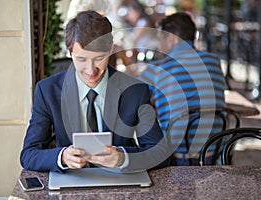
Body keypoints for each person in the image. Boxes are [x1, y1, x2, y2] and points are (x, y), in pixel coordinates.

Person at [20, 10, 169, 173]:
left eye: (99, 58)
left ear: (111, 49)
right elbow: (28, 155)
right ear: (70, 53)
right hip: (71, 182)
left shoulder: (135, 91)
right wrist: (62, 157)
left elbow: (160, 153)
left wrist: (123, 158)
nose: (91, 71)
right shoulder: (47, 91)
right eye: (82, 59)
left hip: (121, 185)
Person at [139, 12, 227, 166]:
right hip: (215, 152)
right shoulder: (214, 61)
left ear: (171, 38)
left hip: (176, 156)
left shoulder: (157, 69)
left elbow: (134, 98)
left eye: (161, 39)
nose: (160, 46)